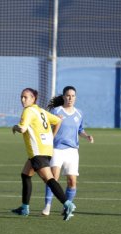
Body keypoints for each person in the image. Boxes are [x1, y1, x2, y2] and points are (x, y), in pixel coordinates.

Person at [11, 88, 76, 221]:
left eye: (26, 97)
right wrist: (51, 136)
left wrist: (15, 127)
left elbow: (23, 128)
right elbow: (58, 120)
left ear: (33, 98)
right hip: (46, 149)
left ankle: (68, 204)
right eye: (21, 97)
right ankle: (24, 207)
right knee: (25, 174)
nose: (23, 100)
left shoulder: (28, 111)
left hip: (37, 151)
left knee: (49, 179)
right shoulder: (40, 110)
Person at [42, 86, 94, 216]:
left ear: (75, 97)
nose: (70, 98)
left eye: (73, 96)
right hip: (57, 149)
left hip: (72, 151)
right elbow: (47, 127)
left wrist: (86, 136)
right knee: (54, 178)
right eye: (68, 95)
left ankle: (66, 207)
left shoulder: (79, 113)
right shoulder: (56, 111)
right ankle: (47, 206)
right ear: (64, 96)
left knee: (72, 181)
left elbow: (80, 129)